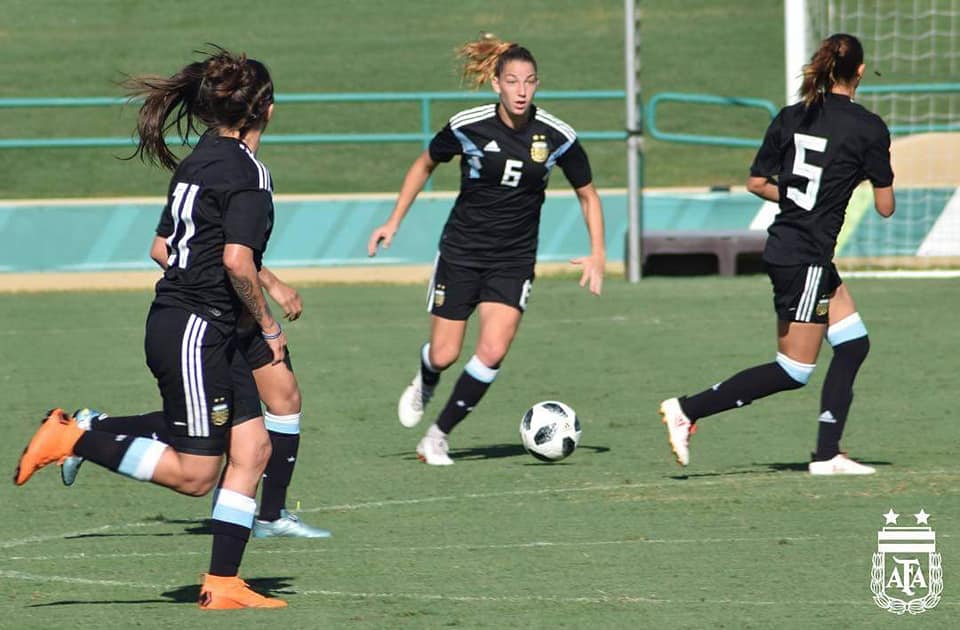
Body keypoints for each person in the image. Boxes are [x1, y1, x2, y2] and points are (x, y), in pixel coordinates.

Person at [14, 47, 290, 608]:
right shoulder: (249, 173)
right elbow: (237, 260)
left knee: (253, 449)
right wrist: (267, 324)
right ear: (266, 109)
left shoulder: (199, 160)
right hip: (198, 330)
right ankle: (74, 438)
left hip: (200, 324)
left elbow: (162, 247)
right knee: (195, 475)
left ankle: (223, 582)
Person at [659, 33, 895, 474]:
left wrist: (804, 195)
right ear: (860, 72)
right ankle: (687, 410)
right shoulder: (869, 128)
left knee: (854, 343)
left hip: (797, 250)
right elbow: (885, 208)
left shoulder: (791, 116)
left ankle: (828, 452)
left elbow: (756, 182)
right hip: (804, 256)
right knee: (793, 370)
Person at [367, 34, 606, 465]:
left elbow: (588, 194)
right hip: (460, 252)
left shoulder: (558, 137)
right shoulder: (467, 125)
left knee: (493, 350)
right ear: (496, 82)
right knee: (444, 354)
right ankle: (426, 377)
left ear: (537, 85)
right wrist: (393, 220)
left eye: (529, 82)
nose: (521, 90)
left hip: (513, 260)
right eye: (512, 81)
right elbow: (424, 164)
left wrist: (597, 253)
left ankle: (437, 436)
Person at [58, 254, 330, 539]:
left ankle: (271, 516)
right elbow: (172, 249)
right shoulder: (226, 206)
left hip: (244, 317)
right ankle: (88, 433)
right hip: (212, 322)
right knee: (211, 433)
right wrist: (253, 287)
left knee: (285, 399)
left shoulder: (254, 207)